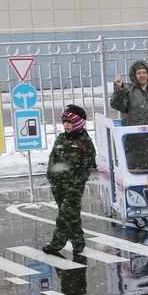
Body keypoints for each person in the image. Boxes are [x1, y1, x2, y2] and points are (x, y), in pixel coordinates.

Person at [43, 105, 96, 256]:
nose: (66, 125)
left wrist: (76, 185)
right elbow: (53, 158)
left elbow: (86, 167)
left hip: (74, 186)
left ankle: (57, 243)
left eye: (70, 122)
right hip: (58, 185)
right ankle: (78, 241)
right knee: (70, 214)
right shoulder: (61, 138)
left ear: (78, 123)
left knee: (65, 216)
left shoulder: (85, 141)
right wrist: (51, 175)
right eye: (65, 121)